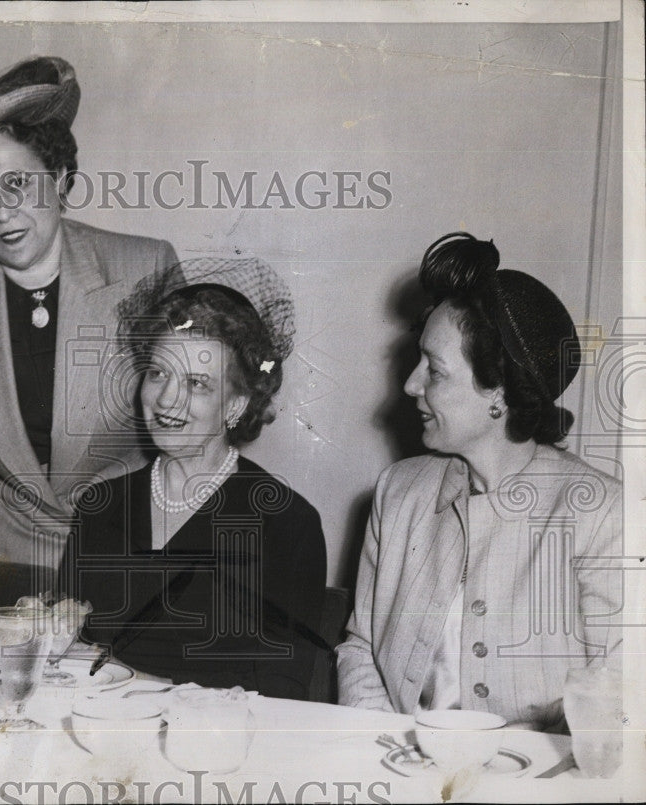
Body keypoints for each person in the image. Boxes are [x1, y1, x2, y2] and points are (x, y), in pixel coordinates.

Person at [0, 57, 178, 571]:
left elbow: (184, 432)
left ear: (60, 177)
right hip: (1, 549)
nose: (2, 213)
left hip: (124, 545)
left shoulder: (144, 268)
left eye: (18, 184)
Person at [336, 232, 622, 728]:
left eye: (436, 370)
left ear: (499, 394)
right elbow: (361, 648)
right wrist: (379, 748)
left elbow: (618, 698)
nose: (410, 384)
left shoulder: (600, 511)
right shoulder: (397, 493)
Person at [58, 258, 328, 701]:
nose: (166, 399)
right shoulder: (100, 506)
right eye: (158, 373)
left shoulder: (286, 524)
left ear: (237, 405)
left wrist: (143, 689)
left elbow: (283, 696)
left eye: (197, 383)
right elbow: (66, 654)